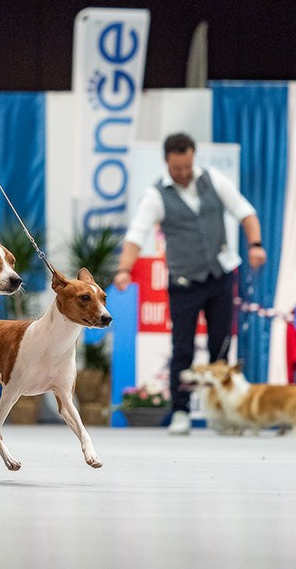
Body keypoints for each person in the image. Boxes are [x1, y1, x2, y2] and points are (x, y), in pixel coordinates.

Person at [113, 132, 267, 435]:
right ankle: (181, 410)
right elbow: (136, 234)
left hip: (220, 277)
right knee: (182, 348)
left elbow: (246, 212)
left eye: (186, 166)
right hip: (184, 282)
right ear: (166, 162)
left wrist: (256, 244)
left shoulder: (214, 180)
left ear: (193, 157)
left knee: (220, 346)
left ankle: (222, 413)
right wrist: (123, 270)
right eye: (176, 168)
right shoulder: (156, 195)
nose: (182, 173)